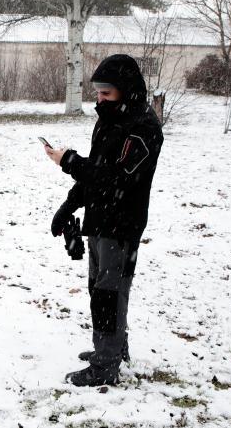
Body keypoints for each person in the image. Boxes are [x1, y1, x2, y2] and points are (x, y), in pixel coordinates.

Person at [44, 54, 164, 387]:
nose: (99, 99)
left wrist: (67, 160)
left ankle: (106, 365)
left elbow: (113, 179)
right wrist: (69, 206)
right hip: (99, 221)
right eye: (97, 92)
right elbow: (95, 175)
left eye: (106, 93)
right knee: (100, 291)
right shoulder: (109, 120)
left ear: (127, 91)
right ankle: (110, 347)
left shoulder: (144, 129)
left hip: (122, 225)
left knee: (109, 294)